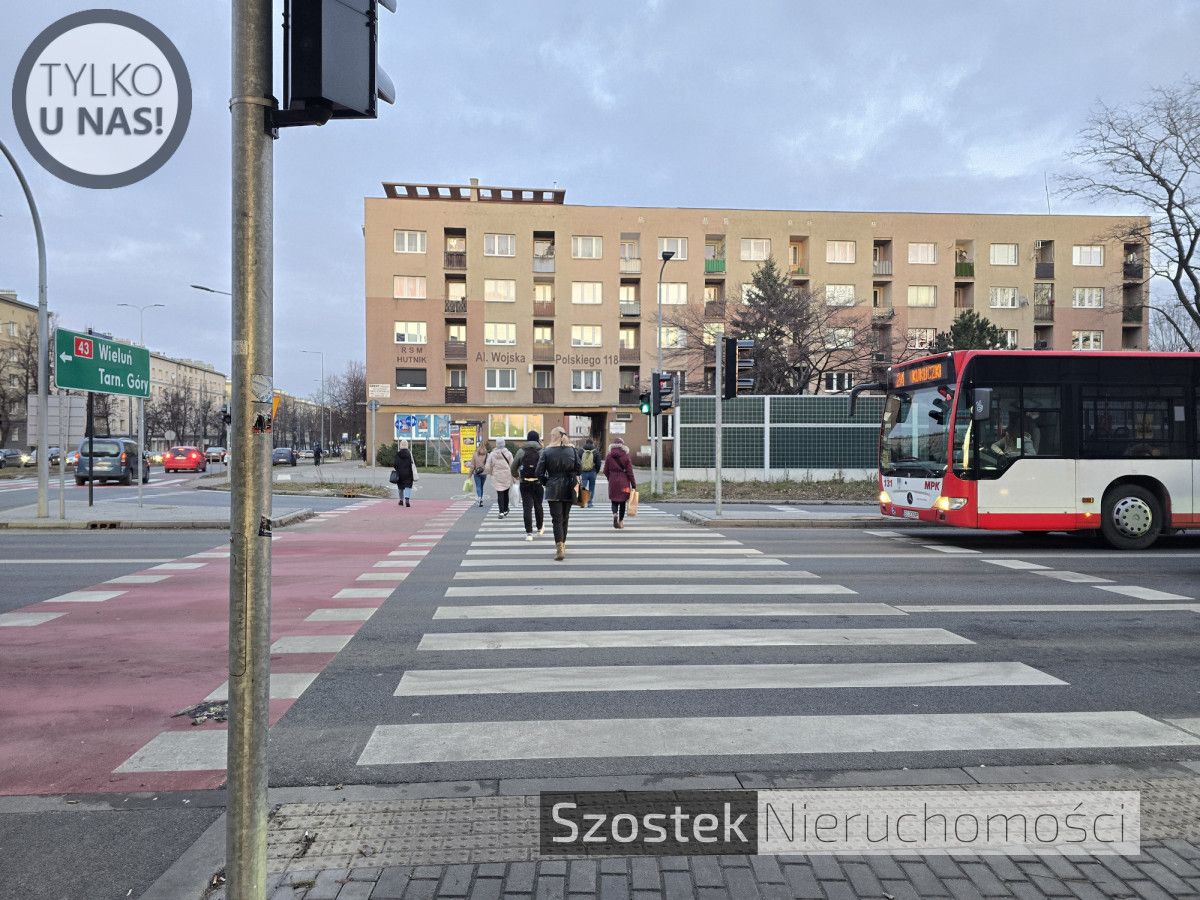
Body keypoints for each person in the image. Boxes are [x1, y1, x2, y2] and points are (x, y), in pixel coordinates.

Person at [536, 426, 581, 561]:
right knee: (565, 518)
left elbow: (539, 472)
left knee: (556, 519)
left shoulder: (547, 451)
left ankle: (559, 546)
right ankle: (563, 544)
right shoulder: (573, 450)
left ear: (554, 436)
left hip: (553, 487)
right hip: (569, 487)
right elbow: (579, 469)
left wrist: (546, 482)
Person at [510, 430, 545, 541]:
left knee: (527, 508)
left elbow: (513, 467)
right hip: (538, 482)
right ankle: (539, 528)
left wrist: (516, 475)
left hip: (525, 483)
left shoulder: (521, 451)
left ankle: (529, 533)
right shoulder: (541, 451)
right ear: (537, 439)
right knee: (538, 506)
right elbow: (547, 466)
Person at [601, 436, 636, 529]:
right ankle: (620, 521)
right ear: (622, 445)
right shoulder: (626, 455)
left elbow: (605, 470)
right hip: (624, 482)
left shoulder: (609, 456)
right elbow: (630, 472)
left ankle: (615, 515)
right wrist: (633, 484)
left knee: (614, 500)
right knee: (623, 501)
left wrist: (610, 478)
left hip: (613, 481)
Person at [485, 437, 515, 518]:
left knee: (500, 493)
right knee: (506, 493)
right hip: (507, 476)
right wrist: (514, 477)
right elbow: (512, 466)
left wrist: (491, 473)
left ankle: (501, 512)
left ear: (496, 444)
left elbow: (487, 466)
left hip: (497, 476)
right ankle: (505, 510)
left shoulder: (492, 454)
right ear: (504, 443)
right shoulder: (508, 453)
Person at [393, 439, 415, 507]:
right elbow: (413, 463)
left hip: (400, 473)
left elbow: (395, 464)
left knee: (400, 487)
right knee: (408, 486)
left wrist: (397, 469)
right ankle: (407, 500)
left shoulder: (398, 454)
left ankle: (401, 500)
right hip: (408, 473)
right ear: (407, 445)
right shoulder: (409, 454)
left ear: (400, 445)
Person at [579, 437, 600, 507]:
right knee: (592, 487)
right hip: (593, 472)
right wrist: (596, 471)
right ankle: (590, 503)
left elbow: (578, 462)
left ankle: (582, 502)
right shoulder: (596, 451)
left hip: (584, 472)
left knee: (583, 487)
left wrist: (580, 470)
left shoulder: (581, 451)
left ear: (585, 443)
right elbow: (598, 463)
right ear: (592, 443)